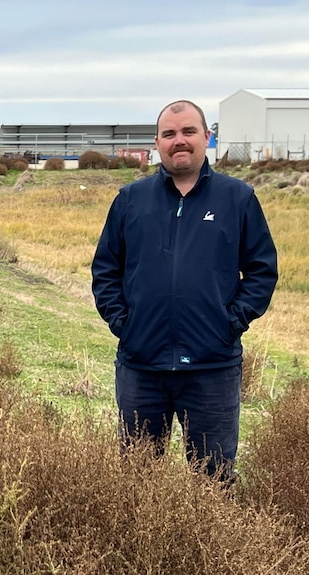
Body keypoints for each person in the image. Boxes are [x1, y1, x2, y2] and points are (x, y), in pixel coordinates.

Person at [91, 100, 278, 481]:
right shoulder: (131, 200)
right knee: (137, 481)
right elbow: (106, 270)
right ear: (157, 142)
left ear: (206, 137)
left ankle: (208, 543)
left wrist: (230, 324)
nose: (180, 141)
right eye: (170, 134)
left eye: (189, 131)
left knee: (213, 482)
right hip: (142, 367)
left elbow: (262, 271)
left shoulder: (237, 199)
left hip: (212, 368)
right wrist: (125, 324)